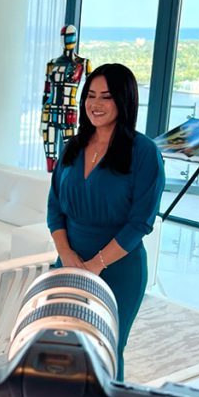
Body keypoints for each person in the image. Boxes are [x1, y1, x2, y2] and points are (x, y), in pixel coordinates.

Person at [46, 63, 165, 379]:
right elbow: (54, 209)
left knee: (105, 350)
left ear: (124, 101)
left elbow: (140, 222)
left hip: (119, 270)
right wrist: (67, 257)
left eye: (106, 97)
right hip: (68, 264)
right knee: (63, 348)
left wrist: (96, 265)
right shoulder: (72, 146)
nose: (95, 104)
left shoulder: (144, 152)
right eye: (91, 95)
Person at [40, 24, 92, 172]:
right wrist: (42, 119)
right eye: (65, 37)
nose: (68, 40)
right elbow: (46, 92)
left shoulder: (84, 63)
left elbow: (89, 93)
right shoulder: (51, 64)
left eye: (71, 36)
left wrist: (87, 121)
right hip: (50, 111)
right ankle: (51, 178)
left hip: (70, 112)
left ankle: (66, 180)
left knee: (71, 154)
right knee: (50, 152)